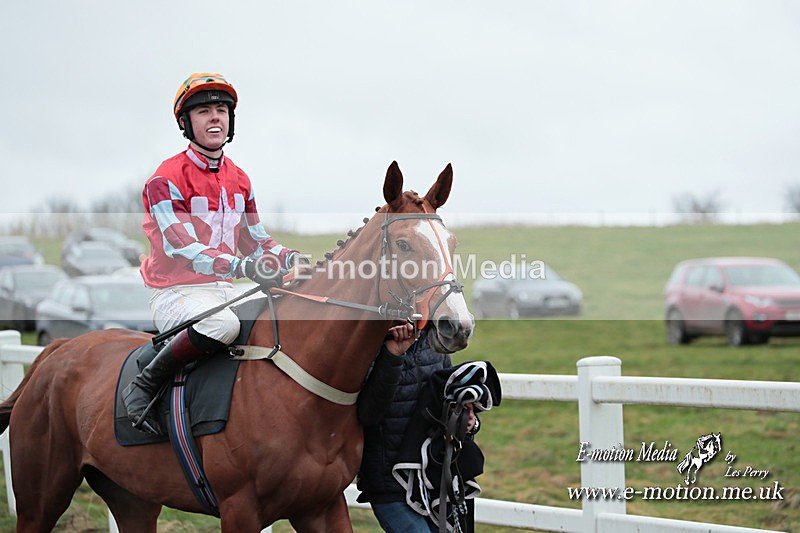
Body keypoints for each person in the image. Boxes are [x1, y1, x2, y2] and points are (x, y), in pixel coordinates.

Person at [123, 72, 307, 436]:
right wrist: (243, 266)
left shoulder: (240, 178)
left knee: (280, 313)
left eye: (221, 110)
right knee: (222, 326)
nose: (215, 118)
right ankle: (145, 381)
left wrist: (291, 258)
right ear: (186, 123)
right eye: (204, 111)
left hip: (222, 290)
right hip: (175, 291)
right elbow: (182, 247)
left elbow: (256, 240)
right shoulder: (165, 178)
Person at [356, 323, 461, 532]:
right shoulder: (367, 343)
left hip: (434, 482)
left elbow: (446, 403)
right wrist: (392, 355)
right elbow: (368, 414)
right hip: (391, 485)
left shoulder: (433, 340)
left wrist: (468, 421)